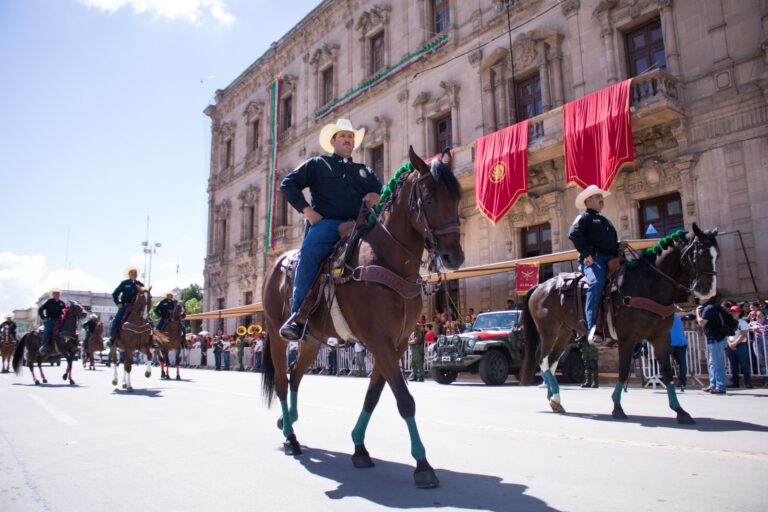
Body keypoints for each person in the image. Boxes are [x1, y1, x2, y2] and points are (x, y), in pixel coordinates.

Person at [278, 119, 383, 341]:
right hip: (327, 225)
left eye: (351, 137)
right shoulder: (317, 164)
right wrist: (308, 211)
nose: (348, 140)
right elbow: (288, 184)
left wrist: (376, 196)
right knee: (309, 254)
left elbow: (381, 193)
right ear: (333, 141)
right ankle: (298, 316)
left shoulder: (364, 171)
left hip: (360, 224)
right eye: (343, 136)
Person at [568, 185, 627, 344]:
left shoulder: (606, 221)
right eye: (597, 197)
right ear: (588, 200)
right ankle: (591, 326)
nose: (601, 200)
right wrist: (586, 255)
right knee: (596, 283)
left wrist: (618, 248)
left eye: (601, 197)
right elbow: (573, 235)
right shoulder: (585, 217)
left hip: (611, 259)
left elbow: (610, 243)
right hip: (595, 260)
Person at [696, 297, 728, 394]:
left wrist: (697, 313)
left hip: (716, 338)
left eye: (699, 298)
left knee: (717, 363)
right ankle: (713, 384)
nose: (698, 300)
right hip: (714, 338)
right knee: (712, 363)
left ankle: (721, 386)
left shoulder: (709, 308)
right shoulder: (711, 307)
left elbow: (701, 322)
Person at [110, 267, 145, 338]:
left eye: (135, 273)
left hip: (137, 307)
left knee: (148, 321)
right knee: (116, 320)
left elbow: (144, 296)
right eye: (132, 273)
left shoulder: (140, 284)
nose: (134, 274)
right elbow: (115, 294)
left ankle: (151, 341)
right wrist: (118, 303)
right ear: (129, 274)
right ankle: (112, 338)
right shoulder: (124, 283)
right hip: (125, 306)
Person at [726, 305, 753, 389]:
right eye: (732, 312)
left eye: (735, 312)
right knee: (733, 365)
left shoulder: (742, 322)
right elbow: (726, 334)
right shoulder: (728, 322)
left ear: (739, 312)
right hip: (731, 344)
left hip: (741, 345)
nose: (733, 313)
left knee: (744, 364)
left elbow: (743, 334)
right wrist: (730, 343)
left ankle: (748, 383)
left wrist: (735, 343)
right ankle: (735, 382)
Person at [38, 288, 66, 357]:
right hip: (50, 320)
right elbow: (40, 309)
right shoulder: (49, 301)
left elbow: (65, 312)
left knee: (66, 332)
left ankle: (65, 347)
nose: (57, 295)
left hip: (59, 321)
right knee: (46, 332)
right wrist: (44, 318)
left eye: (58, 293)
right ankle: (43, 347)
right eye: (55, 293)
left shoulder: (62, 303)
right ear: (53, 294)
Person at [668, 314, 688, 391]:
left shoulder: (665, 317)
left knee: (667, 363)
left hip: (671, 343)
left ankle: (669, 382)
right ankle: (682, 382)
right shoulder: (677, 317)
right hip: (682, 342)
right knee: (682, 364)